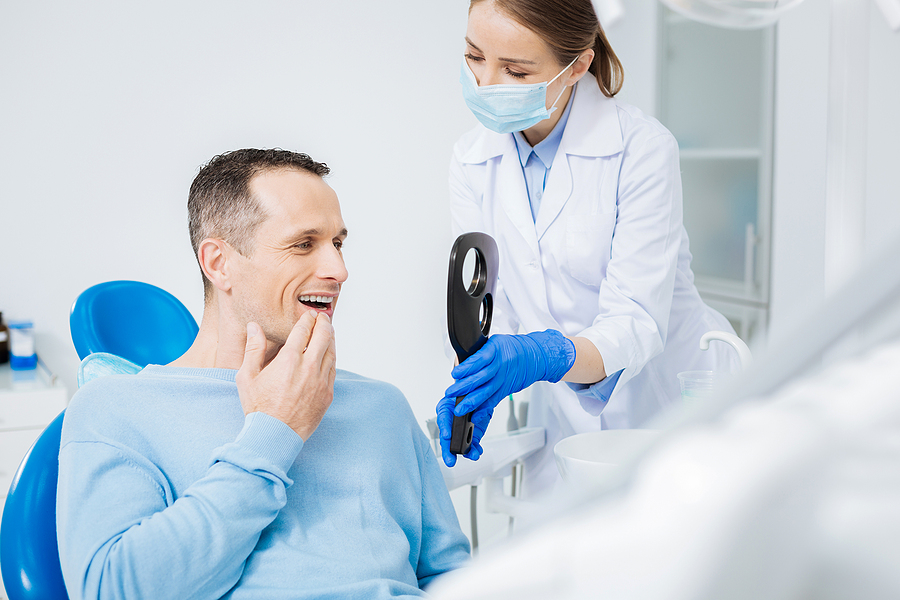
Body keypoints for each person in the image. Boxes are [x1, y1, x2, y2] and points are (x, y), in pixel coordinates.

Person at [57, 149, 470, 599]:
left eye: (338, 243)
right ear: (219, 263)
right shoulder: (116, 409)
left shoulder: (382, 406)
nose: (339, 270)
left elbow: (453, 577)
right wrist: (273, 433)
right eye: (303, 244)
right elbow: (112, 591)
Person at [436, 0, 740, 492]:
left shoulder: (642, 150)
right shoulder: (471, 161)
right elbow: (488, 304)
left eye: (515, 70)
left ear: (577, 64)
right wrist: (475, 376)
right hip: (565, 425)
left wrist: (543, 354)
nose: (486, 83)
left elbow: (636, 322)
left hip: (668, 403)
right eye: (474, 57)